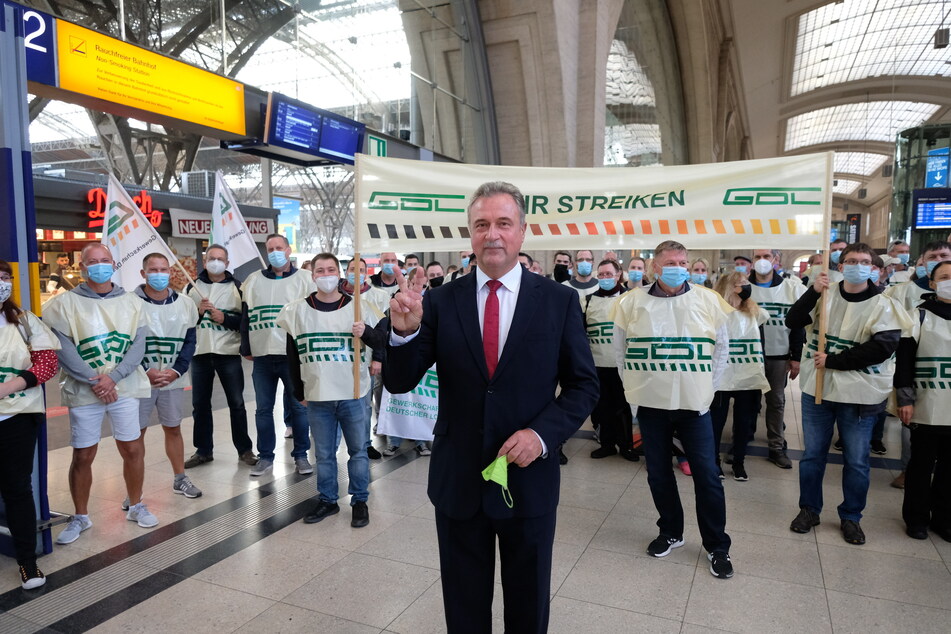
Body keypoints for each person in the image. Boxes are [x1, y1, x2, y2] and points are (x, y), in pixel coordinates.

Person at [384, 181, 598, 633]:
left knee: (528, 603)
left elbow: (583, 386)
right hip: (458, 481)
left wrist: (541, 436)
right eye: (482, 225)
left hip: (529, 480)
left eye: (503, 223)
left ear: (522, 232)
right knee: (463, 608)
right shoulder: (440, 302)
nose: (492, 234)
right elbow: (401, 381)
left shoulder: (559, 301)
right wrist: (402, 334)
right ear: (471, 234)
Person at [613, 240, 734, 579]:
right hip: (651, 404)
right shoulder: (630, 304)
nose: (678, 266)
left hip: (694, 405)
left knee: (707, 476)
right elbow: (622, 353)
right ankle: (671, 531)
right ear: (654, 267)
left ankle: (717, 545)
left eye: (682, 261)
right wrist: (636, 393)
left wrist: (705, 390)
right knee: (658, 473)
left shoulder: (708, 300)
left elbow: (721, 350)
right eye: (670, 261)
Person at [786, 242, 911, 545]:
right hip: (819, 391)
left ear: (874, 268)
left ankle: (851, 516)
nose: (857, 265)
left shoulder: (884, 305)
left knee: (856, 460)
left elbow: (881, 347)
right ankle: (809, 509)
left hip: (860, 395)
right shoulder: (824, 296)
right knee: (813, 455)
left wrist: (834, 361)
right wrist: (813, 291)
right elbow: (793, 320)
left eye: (864, 261)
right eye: (851, 261)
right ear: (840, 267)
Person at [44, 243, 156, 545]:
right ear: (82, 267)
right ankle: (81, 516)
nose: (99, 265)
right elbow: (63, 346)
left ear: (114, 263)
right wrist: (95, 379)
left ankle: (136, 505)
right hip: (85, 390)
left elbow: (138, 345)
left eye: (104, 260)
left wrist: (114, 378)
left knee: (132, 448)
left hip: (125, 387)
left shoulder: (133, 303)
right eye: (92, 261)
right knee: (83, 454)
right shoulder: (63, 303)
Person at [280, 254, 384, 528]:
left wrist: (367, 334)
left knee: (358, 451)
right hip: (318, 395)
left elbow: (382, 341)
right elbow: (292, 355)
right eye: (320, 270)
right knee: (324, 454)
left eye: (330, 270)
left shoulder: (360, 308)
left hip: (353, 393)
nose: (325, 275)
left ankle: (360, 500)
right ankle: (327, 500)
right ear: (313, 275)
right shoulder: (296, 311)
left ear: (338, 274)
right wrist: (298, 390)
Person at [0, 261, 60, 589]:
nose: (1, 283)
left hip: (16, 417)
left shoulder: (23, 321)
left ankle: (27, 562)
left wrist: (8, 387)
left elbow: (48, 363)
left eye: (4, 278)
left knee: (18, 489)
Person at [240, 234, 314, 477]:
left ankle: (301, 455)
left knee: (299, 408)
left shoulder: (305, 279)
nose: (274, 252)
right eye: (270, 248)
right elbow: (246, 315)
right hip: (262, 356)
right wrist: (246, 347)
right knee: (263, 409)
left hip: (292, 356)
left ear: (289, 249)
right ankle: (266, 457)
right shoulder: (253, 281)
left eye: (278, 247)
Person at [133, 253, 202, 503]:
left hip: (173, 378)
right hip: (139, 380)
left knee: (173, 427)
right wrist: (145, 370)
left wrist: (176, 370)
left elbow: (189, 341)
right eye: (153, 269)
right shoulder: (130, 303)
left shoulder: (185, 303)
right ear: (143, 273)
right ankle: (134, 490)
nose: (159, 274)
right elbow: (126, 344)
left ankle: (180, 478)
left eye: (164, 269)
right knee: (135, 433)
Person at [184, 245, 256, 468]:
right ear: (204, 262)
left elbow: (246, 322)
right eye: (211, 258)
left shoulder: (238, 288)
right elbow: (183, 323)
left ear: (227, 262)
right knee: (200, 404)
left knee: (236, 402)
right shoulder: (192, 287)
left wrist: (224, 318)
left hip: (228, 353)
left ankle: (244, 449)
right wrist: (198, 312)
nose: (215, 262)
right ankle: (203, 450)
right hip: (200, 353)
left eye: (220, 259)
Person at [896, 260, 951, 542]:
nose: (949, 281)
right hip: (927, 405)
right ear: (932, 283)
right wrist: (904, 398)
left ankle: (944, 518)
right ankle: (917, 518)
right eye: (944, 277)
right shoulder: (918, 316)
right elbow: (904, 361)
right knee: (921, 465)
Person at [711, 272, 770, 481]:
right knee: (716, 422)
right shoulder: (715, 311)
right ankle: (714, 462)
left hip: (747, 375)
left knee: (744, 423)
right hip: (721, 375)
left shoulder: (754, 312)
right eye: (741, 284)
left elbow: (759, 346)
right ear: (729, 287)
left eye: (746, 283)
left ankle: (739, 462)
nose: (746, 287)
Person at [749, 249, 805, 469]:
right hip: (749, 355)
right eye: (757, 257)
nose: (762, 261)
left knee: (776, 402)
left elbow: (798, 325)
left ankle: (776, 446)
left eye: (766, 256)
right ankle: (741, 440)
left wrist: (796, 357)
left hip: (779, 355)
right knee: (747, 402)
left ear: (775, 260)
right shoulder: (744, 287)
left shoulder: (791, 289)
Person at [585, 259, 637, 461]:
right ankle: (606, 444)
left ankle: (626, 446)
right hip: (597, 365)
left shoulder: (631, 298)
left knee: (624, 407)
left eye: (609, 274)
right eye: (602, 274)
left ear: (618, 274)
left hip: (623, 365)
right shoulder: (589, 300)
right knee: (601, 408)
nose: (605, 278)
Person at [382, 268, 432, 457]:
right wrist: (405, 333)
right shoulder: (401, 305)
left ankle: (420, 441)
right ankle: (395, 441)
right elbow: (398, 382)